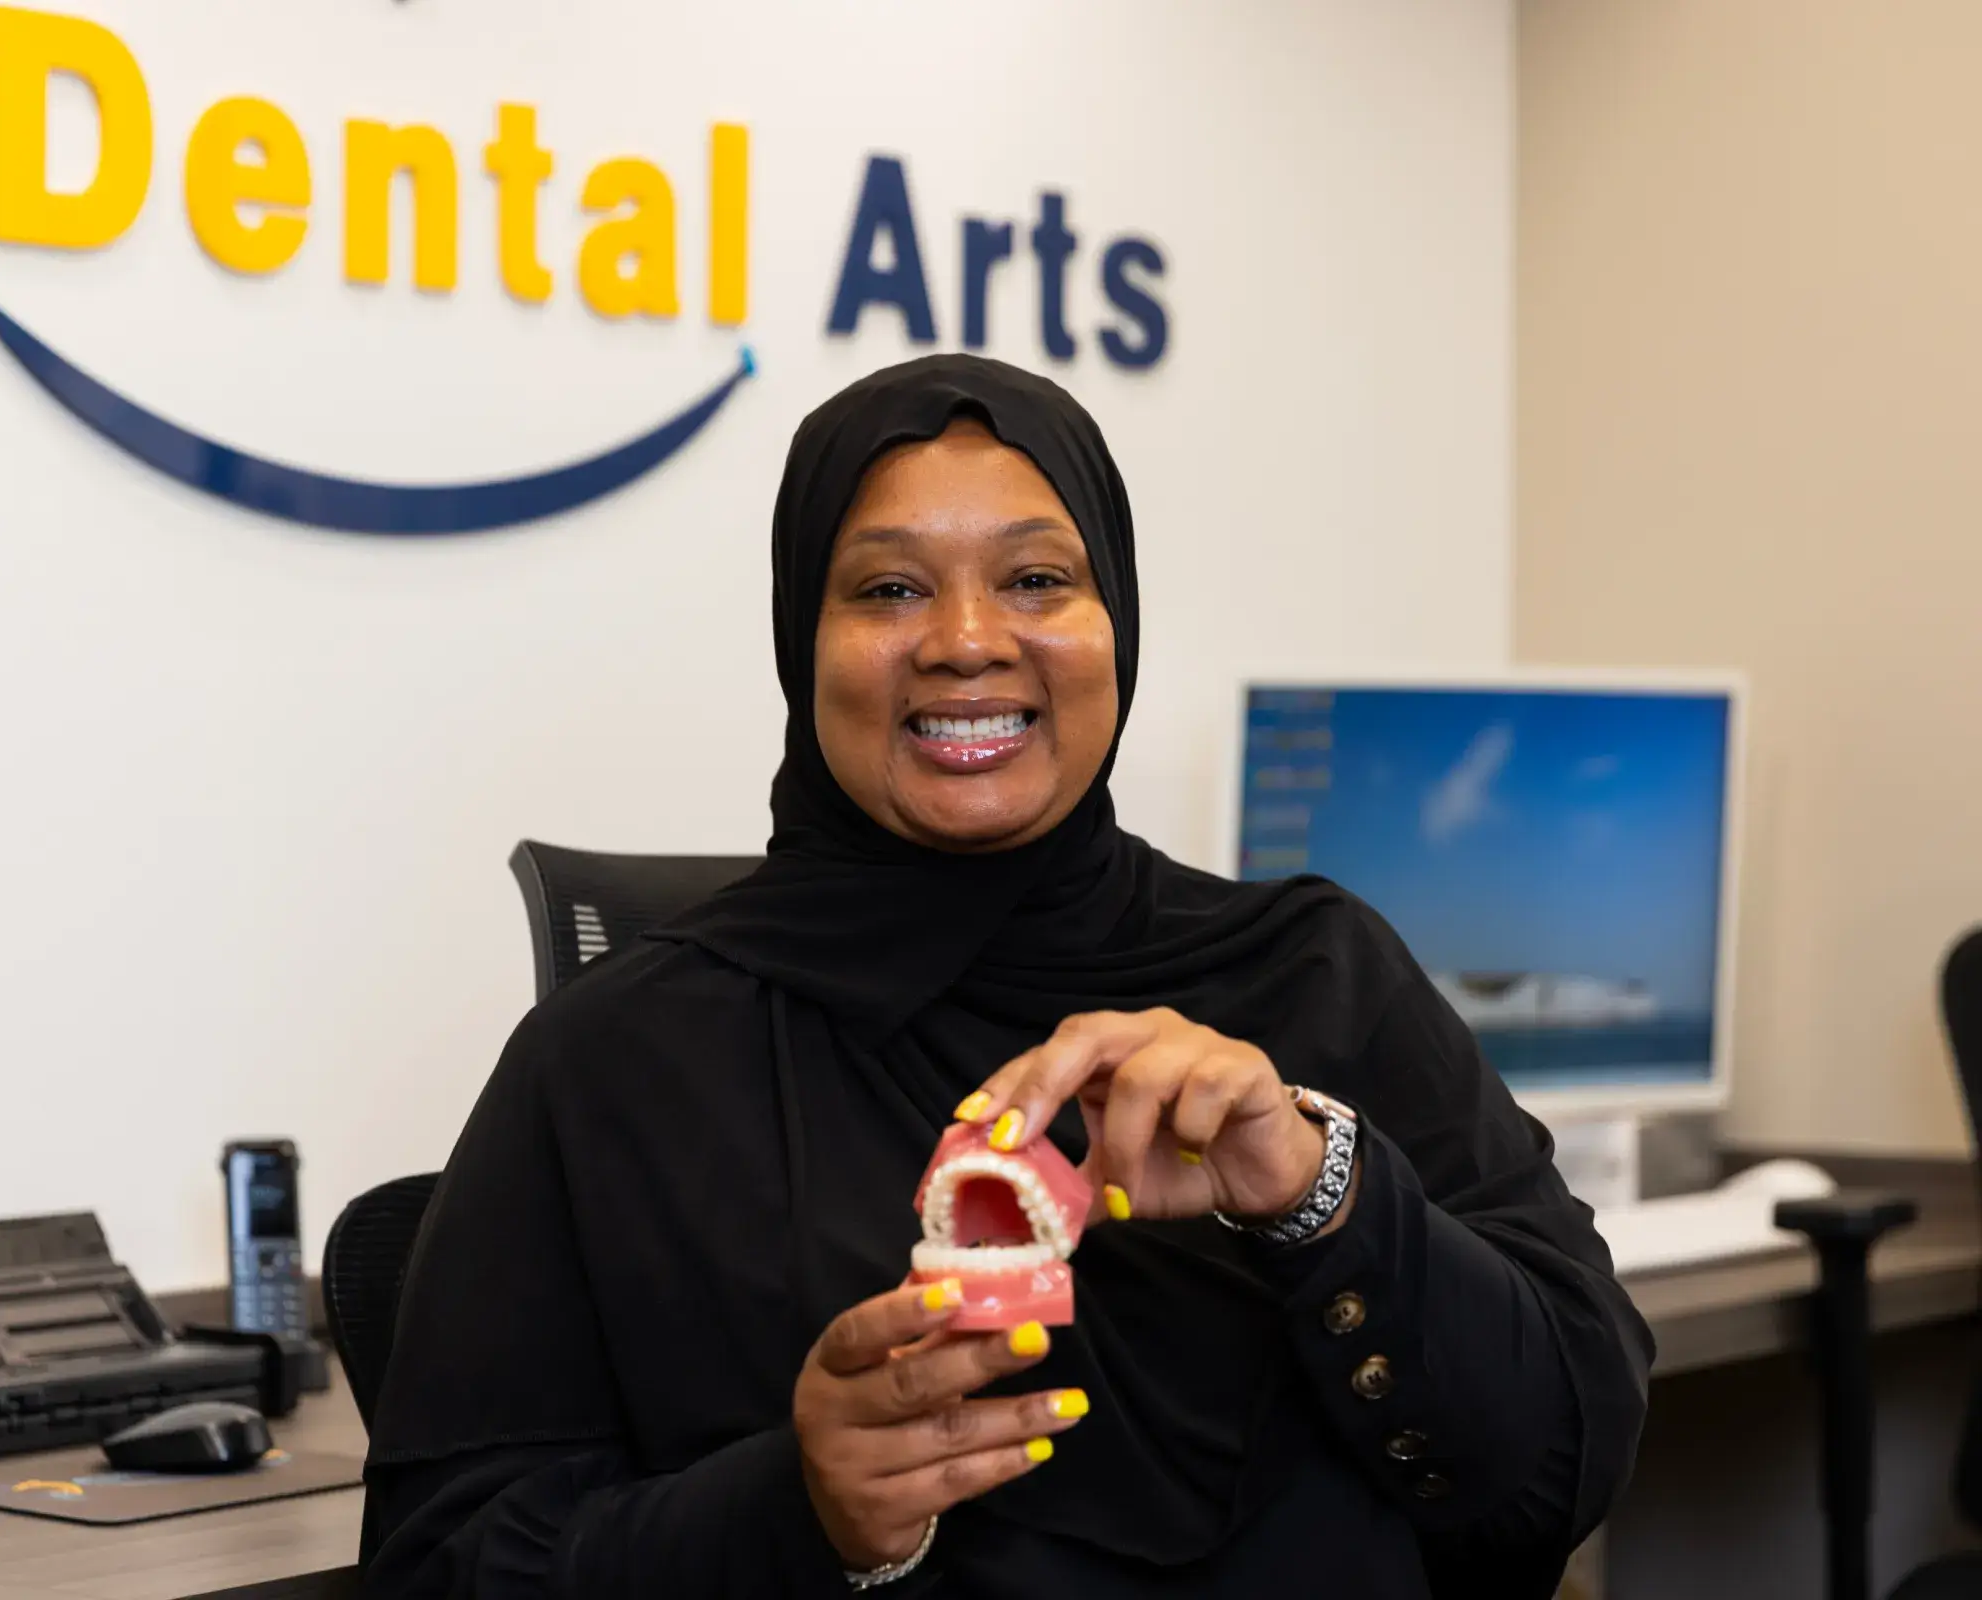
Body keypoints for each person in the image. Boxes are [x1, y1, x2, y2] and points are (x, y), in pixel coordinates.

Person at [360, 355, 1652, 1599]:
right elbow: (442, 1565)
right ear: (799, 637)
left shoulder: (1311, 976)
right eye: (887, 591)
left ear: (1116, 623)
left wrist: (1322, 1196)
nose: (968, 642)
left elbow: (1571, 1449)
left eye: (1036, 578)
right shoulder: (616, 1065)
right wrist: (797, 1515)